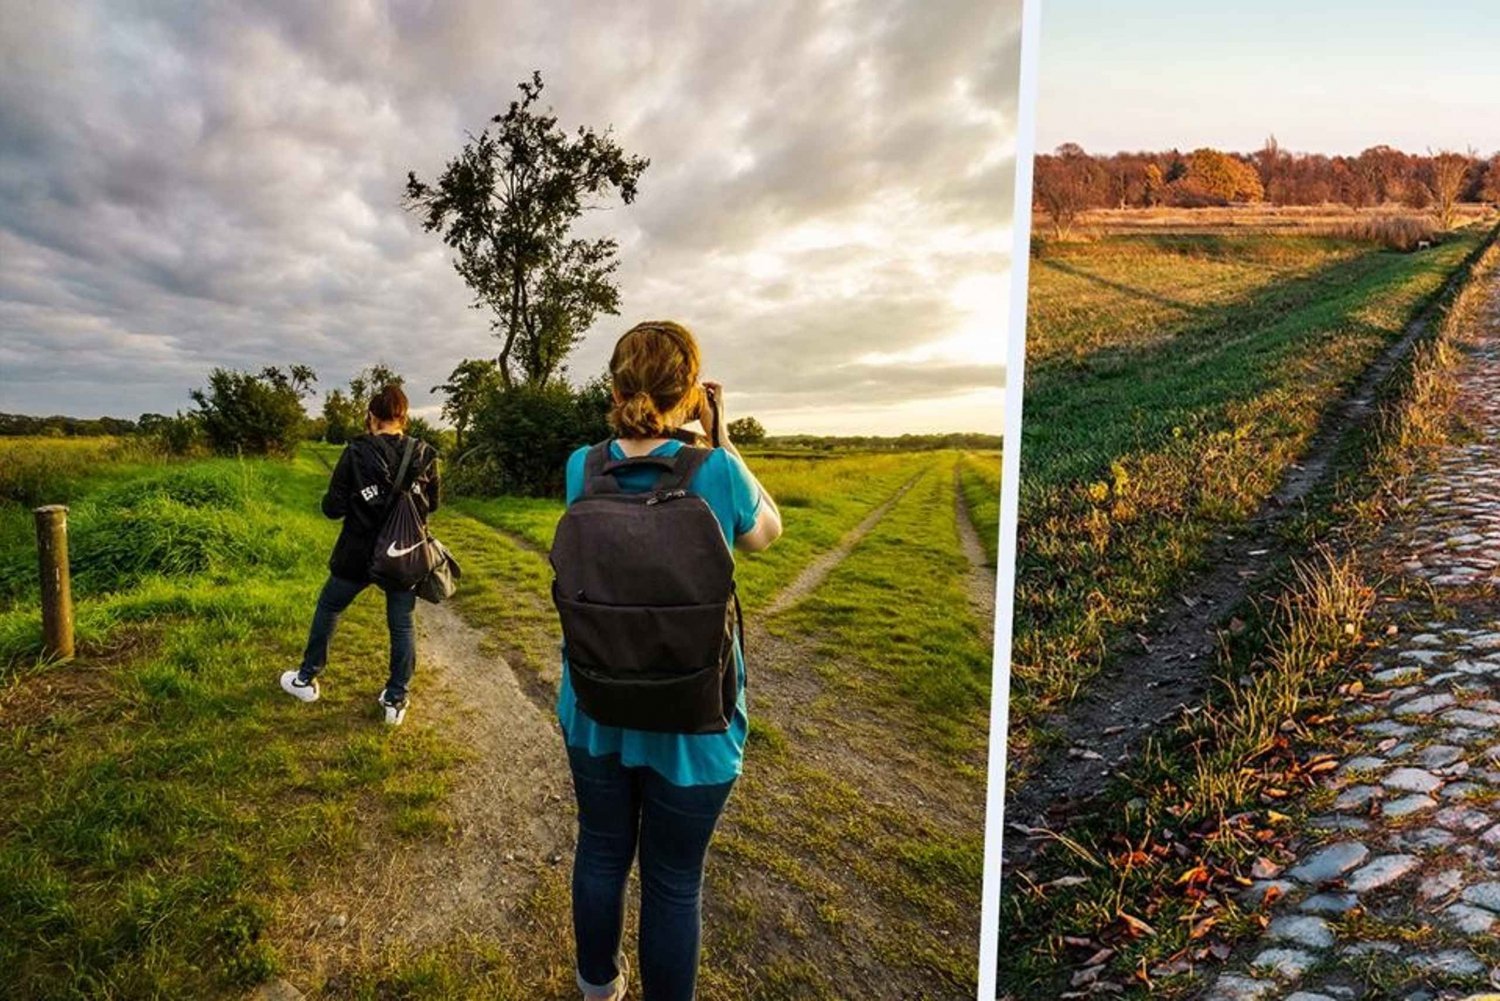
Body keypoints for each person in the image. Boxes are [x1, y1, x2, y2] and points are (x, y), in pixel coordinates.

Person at [558, 321, 782, 1001]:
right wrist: (723, 438)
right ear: (691, 392)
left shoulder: (582, 465)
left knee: (600, 848)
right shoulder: (714, 470)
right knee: (674, 879)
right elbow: (767, 532)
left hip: (596, 705)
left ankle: (597, 985)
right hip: (696, 717)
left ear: (615, 383)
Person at [279, 383, 440, 726]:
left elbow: (333, 508)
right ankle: (395, 700)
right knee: (401, 625)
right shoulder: (426, 455)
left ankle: (305, 679)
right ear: (404, 418)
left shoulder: (356, 452)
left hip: (357, 552)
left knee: (330, 606)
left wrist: (354, 499)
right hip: (403, 554)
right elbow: (432, 506)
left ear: (371, 417)